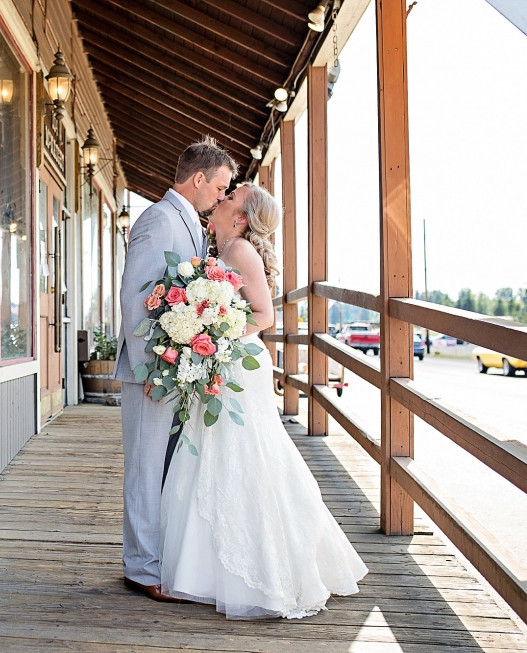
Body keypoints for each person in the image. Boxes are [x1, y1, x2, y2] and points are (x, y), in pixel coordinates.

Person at [160, 183, 368, 618]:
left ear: (241, 217)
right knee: (210, 451)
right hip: (216, 358)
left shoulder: (239, 251)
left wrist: (210, 336)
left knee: (246, 452)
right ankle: (203, 569)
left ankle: (269, 568)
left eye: (232, 196)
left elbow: (264, 315)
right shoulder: (218, 245)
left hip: (235, 361)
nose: (223, 197)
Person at [114, 138, 237, 602]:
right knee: (145, 469)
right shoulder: (158, 220)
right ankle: (141, 568)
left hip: (177, 368)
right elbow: (135, 300)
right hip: (154, 372)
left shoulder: (188, 222)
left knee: (166, 467)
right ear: (198, 178)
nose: (222, 198)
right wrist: (156, 369)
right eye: (220, 187)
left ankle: (159, 556)